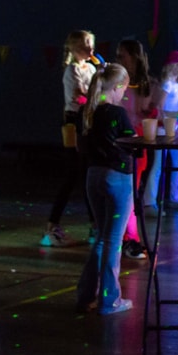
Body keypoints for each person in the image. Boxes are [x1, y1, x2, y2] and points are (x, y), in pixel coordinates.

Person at [75, 63, 139, 315]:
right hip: (117, 177)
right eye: (124, 88)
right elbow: (131, 143)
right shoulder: (118, 113)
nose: (124, 93)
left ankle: (86, 294)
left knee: (102, 238)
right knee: (113, 240)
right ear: (117, 87)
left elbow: (80, 146)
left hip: (93, 176)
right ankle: (109, 299)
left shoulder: (86, 111)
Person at [44, 29, 100, 246]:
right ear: (74, 47)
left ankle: (94, 224)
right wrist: (99, 93)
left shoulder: (92, 68)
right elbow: (80, 95)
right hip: (74, 122)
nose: (89, 47)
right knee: (73, 173)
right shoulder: (72, 70)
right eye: (85, 43)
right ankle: (52, 226)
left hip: (88, 121)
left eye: (91, 43)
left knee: (87, 175)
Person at [114, 37, 153, 261]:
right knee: (124, 193)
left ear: (134, 57)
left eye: (122, 55)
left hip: (136, 142)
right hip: (119, 140)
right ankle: (125, 237)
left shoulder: (144, 84)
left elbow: (145, 112)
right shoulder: (117, 80)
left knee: (130, 192)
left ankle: (130, 238)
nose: (118, 59)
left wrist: (152, 113)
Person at [150, 51, 178, 213]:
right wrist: (167, 120)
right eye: (177, 64)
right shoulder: (167, 84)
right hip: (164, 128)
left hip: (176, 127)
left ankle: (176, 196)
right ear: (170, 66)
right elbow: (159, 107)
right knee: (158, 165)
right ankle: (150, 200)